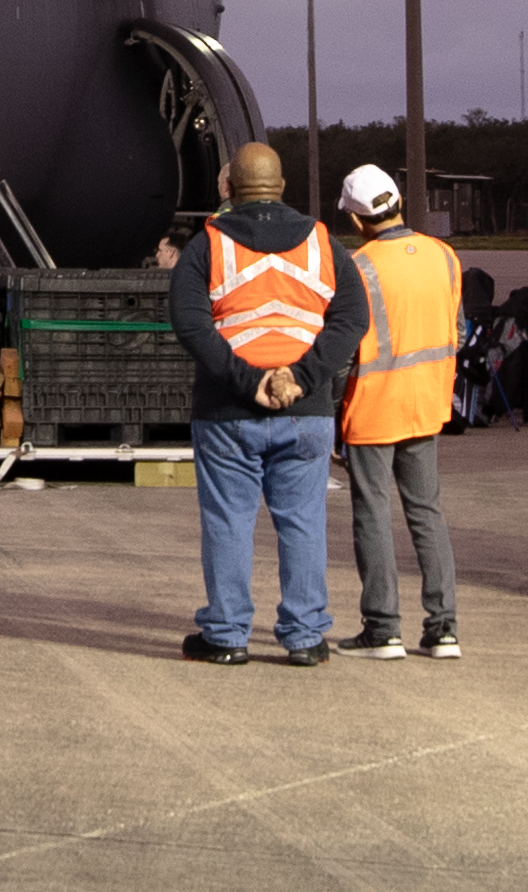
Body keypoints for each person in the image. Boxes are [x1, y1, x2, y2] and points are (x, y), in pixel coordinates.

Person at [166, 140, 367, 665]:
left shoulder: (208, 245)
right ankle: (304, 637)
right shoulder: (324, 243)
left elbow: (190, 321)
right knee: (302, 522)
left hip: (228, 413)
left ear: (229, 189)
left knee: (229, 521)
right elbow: (352, 317)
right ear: (281, 188)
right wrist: (301, 377)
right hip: (306, 412)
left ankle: (228, 636)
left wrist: (244, 378)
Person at [333, 166, 468, 658]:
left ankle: (382, 627)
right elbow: (457, 328)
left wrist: (329, 411)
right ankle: (443, 627)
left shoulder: (358, 266)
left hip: (374, 402)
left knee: (373, 512)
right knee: (426, 510)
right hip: (428, 400)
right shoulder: (444, 256)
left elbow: (343, 345)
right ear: (399, 205)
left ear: (357, 219)